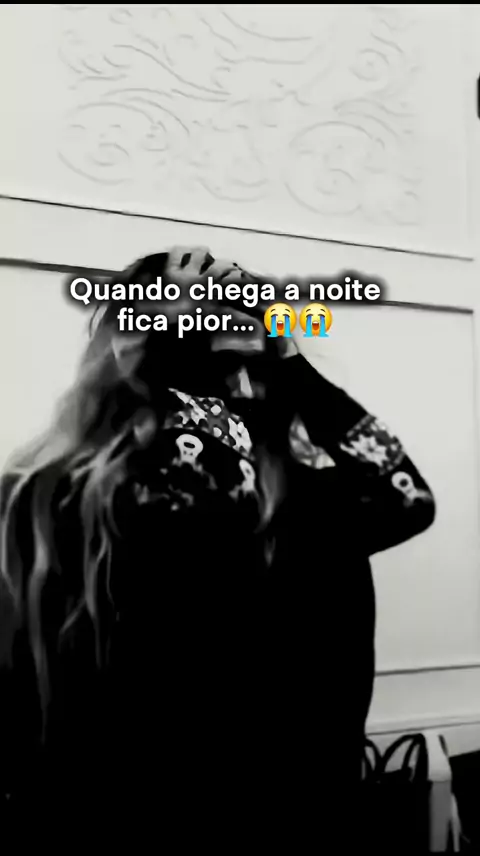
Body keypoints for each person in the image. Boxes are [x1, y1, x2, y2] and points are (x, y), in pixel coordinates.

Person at [0, 246, 435, 843]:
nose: (225, 294)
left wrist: (290, 362)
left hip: (297, 805)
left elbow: (407, 499)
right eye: (199, 292)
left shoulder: (292, 488)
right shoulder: (64, 491)